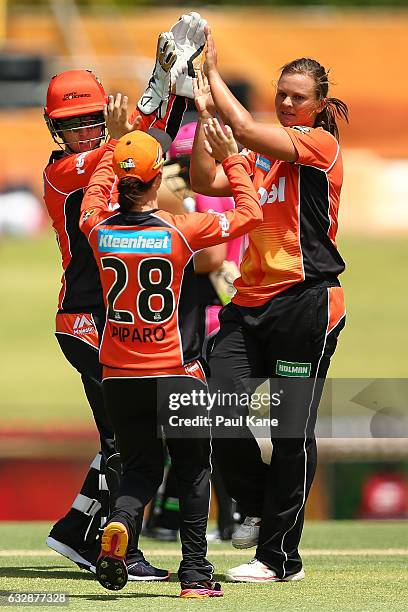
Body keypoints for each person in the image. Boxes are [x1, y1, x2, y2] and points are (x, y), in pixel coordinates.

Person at [42, 13, 206, 580]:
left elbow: (144, 155)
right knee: (132, 441)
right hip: (86, 323)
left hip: (103, 323)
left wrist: (175, 89)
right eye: (74, 124)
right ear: (54, 131)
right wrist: (164, 88)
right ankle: (118, 548)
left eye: (91, 120)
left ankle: (77, 531)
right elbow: (136, 148)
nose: (87, 131)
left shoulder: (105, 160)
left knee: (126, 439)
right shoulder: (68, 171)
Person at [79, 109, 263, 596]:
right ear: (159, 176)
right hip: (176, 373)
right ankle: (196, 576)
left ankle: (119, 522)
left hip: (118, 376)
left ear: (121, 181)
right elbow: (251, 214)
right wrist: (235, 163)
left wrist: (114, 145)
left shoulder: (97, 229)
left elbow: (94, 195)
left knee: (140, 467)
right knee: (193, 470)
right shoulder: (180, 229)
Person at [190, 31, 348, 583]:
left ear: (320, 106)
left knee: (289, 431)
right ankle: (258, 509)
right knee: (216, 405)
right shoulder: (265, 150)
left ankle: (280, 559)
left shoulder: (319, 145)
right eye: (281, 93)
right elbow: (205, 178)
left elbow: (249, 129)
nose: (286, 103)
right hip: (250, 303)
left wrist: (210, 73)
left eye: (298, 97)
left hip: (307, 302)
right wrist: (206, 118)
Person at [143, 122, 244, 543]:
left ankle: (205, 518)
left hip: (202, 320)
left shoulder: (194, 196)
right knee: (207, 425)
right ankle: (205, 518)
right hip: (221, 314)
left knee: (200, 426)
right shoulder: (234, 188)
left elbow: (209, 259)